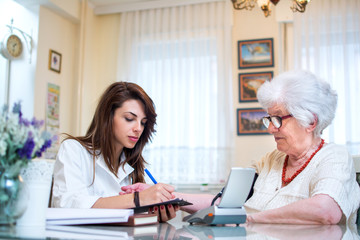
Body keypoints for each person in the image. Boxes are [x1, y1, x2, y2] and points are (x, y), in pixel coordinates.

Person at [121, 70, 360, 224]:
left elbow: (325, 211)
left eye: (277, 119)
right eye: (269, 119)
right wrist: (163, 196)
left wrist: (250, 219)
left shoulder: (334, 158)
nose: (270, 128)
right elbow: (223, 203)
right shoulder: (268, 161)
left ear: (310, 121)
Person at [51, 82, 178, 221]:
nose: (138, 128)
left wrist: (155, 214)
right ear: (108, 116)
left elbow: (135, 217)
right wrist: (137, 199)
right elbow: (67, 207)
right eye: (130, 119)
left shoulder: (135, 165)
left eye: (143, 122)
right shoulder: (73, 150)